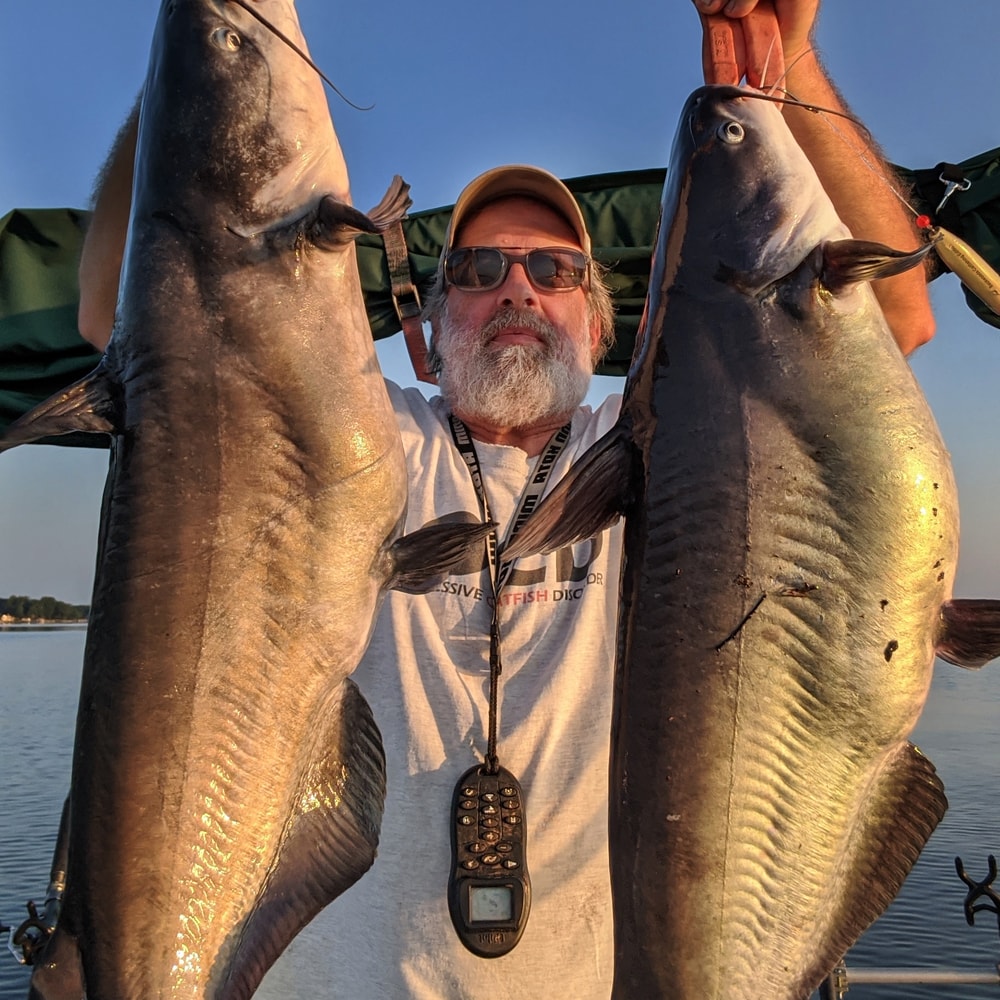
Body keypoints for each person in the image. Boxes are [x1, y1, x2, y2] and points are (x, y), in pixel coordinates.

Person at [75, 2, 934, 996]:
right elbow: (123, 317)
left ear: (601, 316)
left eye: (553, 270)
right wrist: (193, 78)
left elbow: (894, 317)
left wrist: (788, 63)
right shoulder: (355, 446)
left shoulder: (672, 456)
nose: (515, 290)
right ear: (433, 326)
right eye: (479, 270)